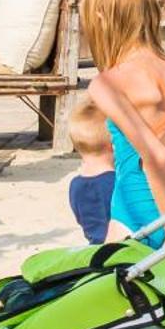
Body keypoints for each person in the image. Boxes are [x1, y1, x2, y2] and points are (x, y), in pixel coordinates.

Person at [83, 0, 165, 267]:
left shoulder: (108, 83)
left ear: (102, 16)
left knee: (111, 313)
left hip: (142, 220)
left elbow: (157, 156)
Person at [67, 98, 116, 244]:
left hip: (94, 247)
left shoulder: (75, 184)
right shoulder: (116, 182)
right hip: (120, 247)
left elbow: (80, 219)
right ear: (112, 145)